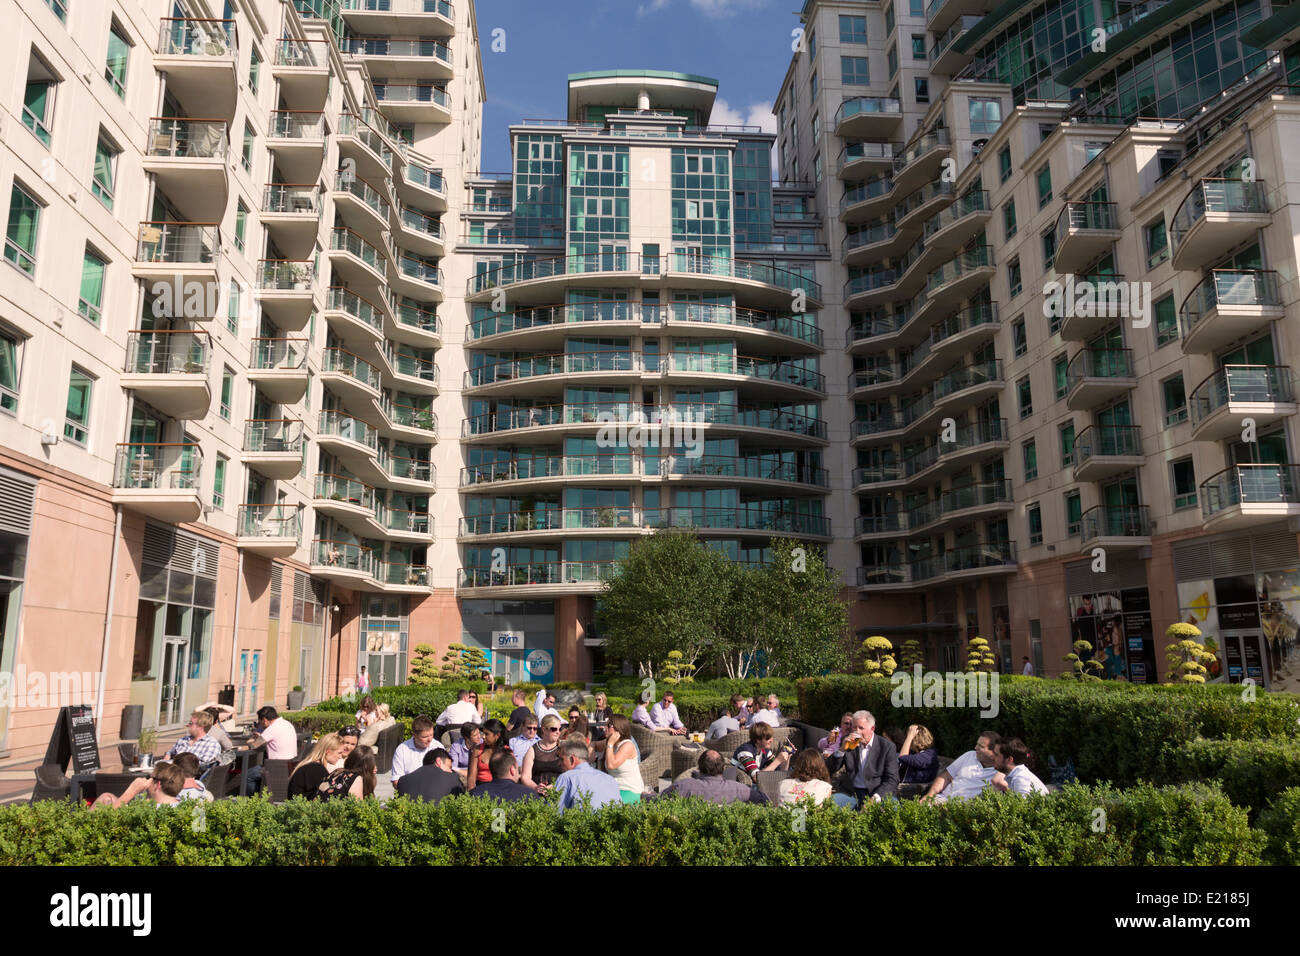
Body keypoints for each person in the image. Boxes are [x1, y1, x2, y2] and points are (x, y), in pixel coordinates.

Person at [826, 710, 899, 808]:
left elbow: (892, 779)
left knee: (893, 807)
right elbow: (830, 768)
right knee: (831, 804)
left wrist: (876, 797)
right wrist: (841, 750)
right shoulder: (848, 742)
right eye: (854, 727)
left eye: (861, 728)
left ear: (872, 728)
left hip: (877, 792)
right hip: (852, 793)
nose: (857, 732)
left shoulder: (886, 747)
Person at [661, 749, 768, 805]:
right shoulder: (738, 788)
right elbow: (765, 800)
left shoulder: (684, 786)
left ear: (700, 766)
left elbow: (658, 799)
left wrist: (645, 795)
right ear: (723, 768)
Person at [923, 731, 1002, 803]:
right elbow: (946, 776)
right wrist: (930, 795)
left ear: (993, 751)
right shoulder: (970, 755)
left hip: (963, 810)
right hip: (941, 799)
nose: (975, 748)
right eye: (977, 744)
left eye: (981, 746)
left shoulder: (999, 772)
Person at [553, 738, 621, 812]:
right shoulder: (609, 779)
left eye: (561, 759)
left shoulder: (567, 777)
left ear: (572, 759)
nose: (559, 763)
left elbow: (555, 812)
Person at [93, 761, 186, 809]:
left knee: (104, 798)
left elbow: (104, 819)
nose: (148, 780)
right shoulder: (185, 807)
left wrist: (131, 791)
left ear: (158, 784)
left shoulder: (144, 812)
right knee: (108, 798)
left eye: (151, 777)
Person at [395, 747, 466, 803]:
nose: (451, 771)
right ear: (439, 761)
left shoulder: (403, 780)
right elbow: (462, 802)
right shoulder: (452, 778)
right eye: (449, 767)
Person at [391, 715, 445, 786]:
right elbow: (396, 780)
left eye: (431, 735)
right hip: (410, 791)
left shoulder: (438, 747)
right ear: (414, 735)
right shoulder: (402, 750)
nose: (429, 739)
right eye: (425, 737)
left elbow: (445, 774)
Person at [288, 733, 345, 799]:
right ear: (328, 751)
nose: (340, 757)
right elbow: (323, 798)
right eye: (339, 753)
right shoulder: (316, 769)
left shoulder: (310, 766)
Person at [602, 714, 644, 803]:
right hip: (614, 789)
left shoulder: (627, 745)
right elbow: (594, 744)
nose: (604, 728)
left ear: (618, 728)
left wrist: (609, 744)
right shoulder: (613, 744)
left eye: (608, 726)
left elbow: (611, 765)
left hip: (629, 790)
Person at [468, 750, 538, 802]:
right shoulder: (528, 795)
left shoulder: (474, 794)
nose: (518, 773)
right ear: (512, 769)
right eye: (517, 769)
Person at [521, 714, 565, 793]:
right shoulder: (533, 750)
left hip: (559, 791)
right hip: (537, 794)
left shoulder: (563, 748)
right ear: (544, 730)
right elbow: (525, 777)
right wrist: (536, 787)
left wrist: (556, 786)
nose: (558, 732)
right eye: (554, 729)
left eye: (560, 729)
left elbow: (569, 774)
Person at [467, 718, 509, 790]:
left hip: (500, 788)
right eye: (483, 733)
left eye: (487, 734)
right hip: (481, 787)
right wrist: (471, 794)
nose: (483, 737)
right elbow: (471, 777)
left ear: (497, 735)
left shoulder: (506, 752)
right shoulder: (477, 749)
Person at [897, 724, 939, 790]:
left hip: (912, 792)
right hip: (904, 789)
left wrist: (910, 736)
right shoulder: (916, 752)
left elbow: (902, 757)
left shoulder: (928, 756)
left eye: (908, 736)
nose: (906, 738)